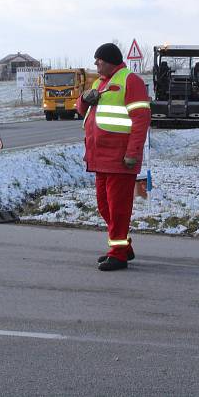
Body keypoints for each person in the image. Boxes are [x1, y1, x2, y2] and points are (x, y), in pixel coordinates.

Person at [76, 43, 151, 271]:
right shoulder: (100, 83)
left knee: (118, 208)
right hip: (100, 158)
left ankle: (118, 254)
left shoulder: (131, 81)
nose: (96, 64)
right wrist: (84, 100)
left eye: (99, 60)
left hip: (120, 159)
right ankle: (123, 246)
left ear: (110, 61)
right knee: (104, 205)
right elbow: (82, 111)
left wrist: (132, 153)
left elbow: (141, 120)